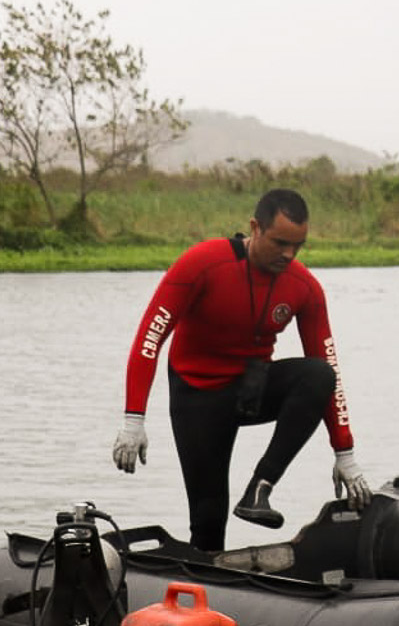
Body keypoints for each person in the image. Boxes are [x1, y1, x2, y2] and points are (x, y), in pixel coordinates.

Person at [112, 188, 371, 553]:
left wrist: (345, 453)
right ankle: (203, 590)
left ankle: (259, 489)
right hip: (196, 395)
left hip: (250, 389)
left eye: (298, 246)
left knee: (318, 376)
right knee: (208, 522)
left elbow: (330, 366)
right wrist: (133, 420)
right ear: (255, 228)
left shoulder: (304, 287)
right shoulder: (202, 263)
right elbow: (148, 340)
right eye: (280, 243)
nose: (289, 255)